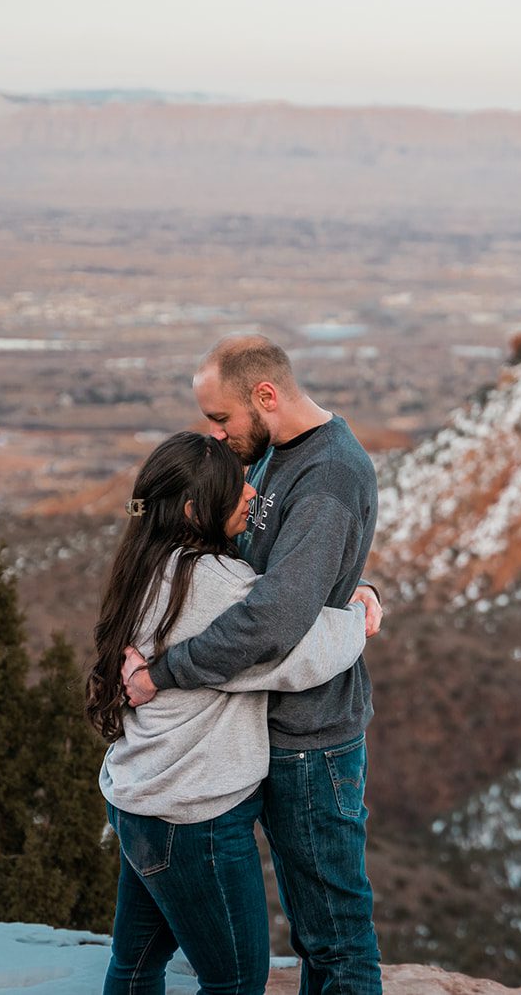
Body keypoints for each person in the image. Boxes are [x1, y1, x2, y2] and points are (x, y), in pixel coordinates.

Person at [123, 334, 384, 995]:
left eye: (221, 419)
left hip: (310, 742)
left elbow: (271, 620)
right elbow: (269, 579)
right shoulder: (270, 456)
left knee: (334, 936)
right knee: (309, 931)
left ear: (265, 396)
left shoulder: (327, 474)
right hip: (256, 734)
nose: (214, 435)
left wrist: (163, 669)